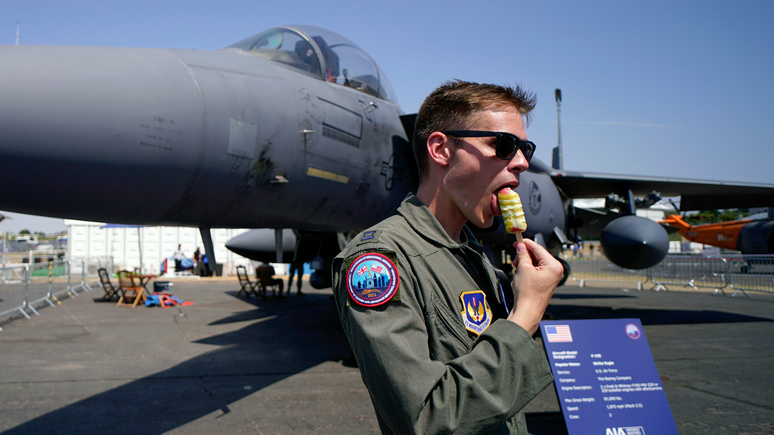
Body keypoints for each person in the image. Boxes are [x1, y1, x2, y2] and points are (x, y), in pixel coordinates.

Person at [332, 80, 563, 434]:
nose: (520, 163)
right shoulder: (381, 260)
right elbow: (428, 419)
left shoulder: (471, 253)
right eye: (503, 145)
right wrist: (527, 313)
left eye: (524, 148)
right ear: (440, 149)